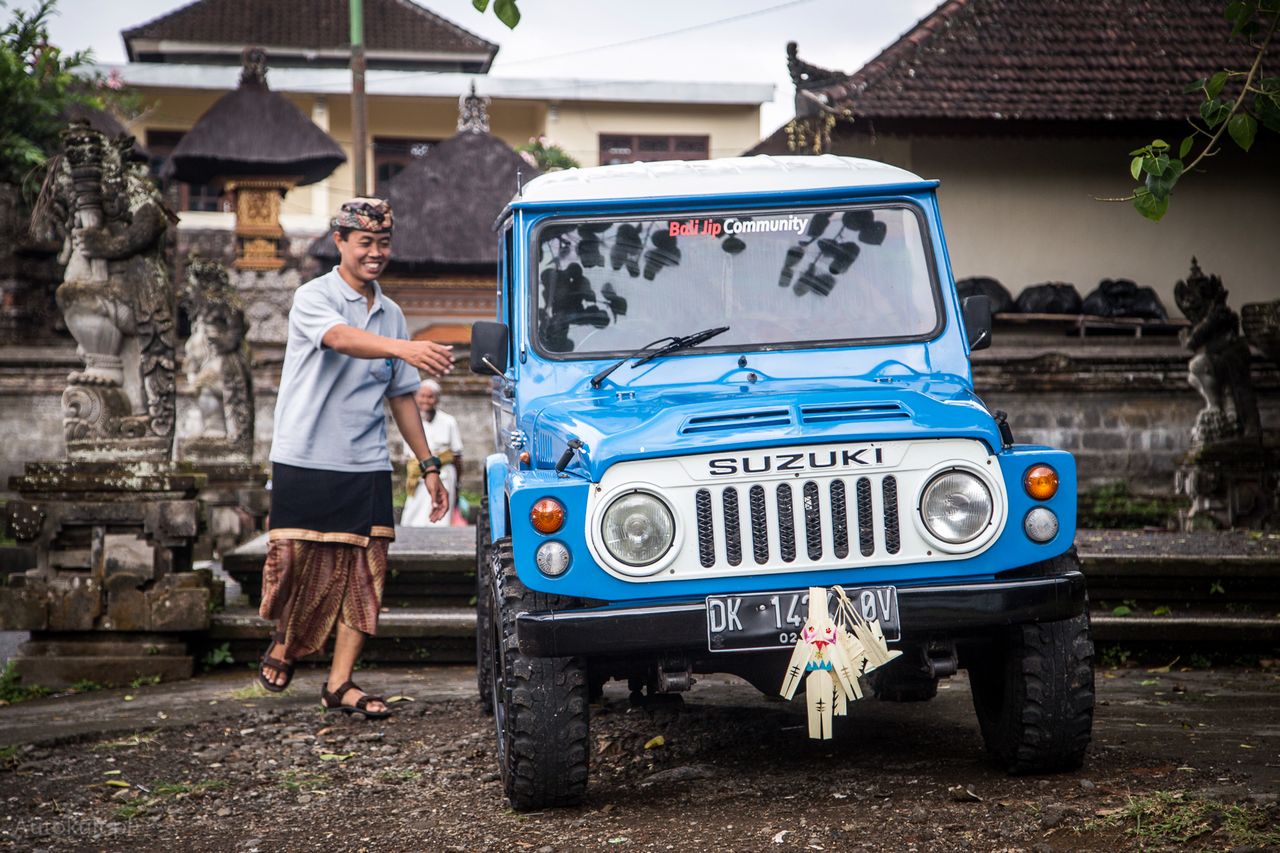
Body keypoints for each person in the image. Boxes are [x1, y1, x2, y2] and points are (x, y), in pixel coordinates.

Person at [256, 197, 452, 718]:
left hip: (365, 461)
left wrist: (429, 466)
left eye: (383, 243)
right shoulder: (313, 297)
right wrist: (404, 349)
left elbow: (402, 397)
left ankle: (340, 682)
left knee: (365, 576)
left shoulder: (392, 314)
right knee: (291, 561)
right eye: (365, 242)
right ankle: (286, 638)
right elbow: (340, 339)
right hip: (305, 451)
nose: (375, 252)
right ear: (339, 242)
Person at [400, 379, 464, 527]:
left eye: (430, 397)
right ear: (416, 398)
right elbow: (409, 455)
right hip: (419, 473)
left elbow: (456, 455)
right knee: (412, 516)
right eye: (422, 396)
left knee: (442, 514)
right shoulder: (409, 422)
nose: (425, 401)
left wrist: (458, 483)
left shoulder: (448, 421)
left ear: (437, 399)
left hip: (445, 474)